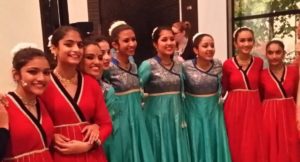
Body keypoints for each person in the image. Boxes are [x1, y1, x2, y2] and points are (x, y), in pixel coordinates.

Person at [42, 26, 112, 162]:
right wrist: (51, 135)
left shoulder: (90, 83)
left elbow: (106, 124)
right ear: (54, 48)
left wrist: (90, 144)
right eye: (68, 44)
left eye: (79, 45)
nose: (75, 49)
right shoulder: (44, 83)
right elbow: (36, 119)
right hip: (59, 154)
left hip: (92, 154)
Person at [103, 21, 154, 162]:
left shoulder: (134, 66)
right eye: (126, 40)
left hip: (137, 118)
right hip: (119, 120)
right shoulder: (108, 68)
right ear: (115, 44)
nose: (132, 44)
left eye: (133, 39)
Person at [139, 26, 190, 162]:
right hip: (156, 118)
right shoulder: (148, 65)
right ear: (155, 44)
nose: (169, 43)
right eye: (164, 40)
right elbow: (137, 90)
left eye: (172, 39)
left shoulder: (180, 65)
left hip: (177, 116)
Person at [182, 33, 231, 162]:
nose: (210, 49)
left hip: (214, 112)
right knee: (196, 141)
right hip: (193, 112)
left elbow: (224, 86)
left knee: (215, 142)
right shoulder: (185, 66)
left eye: (212, 45)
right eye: (205, 46)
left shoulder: (218, 64)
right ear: (195, 50)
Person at [2, 47, 54, 162]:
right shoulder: (4, 105)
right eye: (32, 72)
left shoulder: (41, 102)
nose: (41, 78)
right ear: (16, 74)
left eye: (46, 72)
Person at [222, 27, 264, 162]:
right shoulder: (227, 64)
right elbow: (224, 87)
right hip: (234, 107)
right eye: (242, 40)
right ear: (235, 44)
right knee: (235, 141)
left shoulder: (259, 62)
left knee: (254, 141)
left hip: (254, 107)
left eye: (249, 40)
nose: (246, 44)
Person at [260, 40, 300, 162]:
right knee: (270, 147)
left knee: (291, 145)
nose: (274, 56)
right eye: (270, 53)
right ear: (266, 54)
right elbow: (260, 96)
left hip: (290, 114)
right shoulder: (261, 74)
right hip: (268, 116)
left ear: (284, 53)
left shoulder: (294, 72)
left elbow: (296, 94)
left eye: (278, 52)